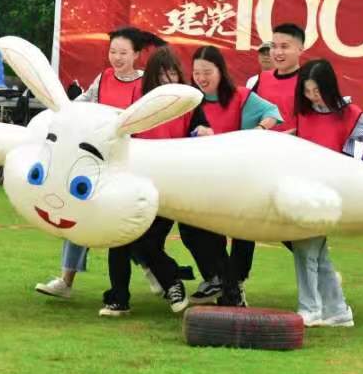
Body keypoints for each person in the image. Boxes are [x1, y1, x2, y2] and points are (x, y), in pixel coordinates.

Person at [37, 27, 165, 300]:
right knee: (77, 212)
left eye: (123, 53)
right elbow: (82, 105)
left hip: (128, 163)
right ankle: (66, 280)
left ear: (137, 55)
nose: (116, 58)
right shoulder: (104, 78)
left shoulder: (145, 84)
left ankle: (153, 270)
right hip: (95, 161)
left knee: (125, 221)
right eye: (112, 52)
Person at [180, 45, 281, 308]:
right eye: (197, 72)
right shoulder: (189, 102)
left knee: (242, 232)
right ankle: (221, 280)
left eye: (207, 72)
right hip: (201, 183)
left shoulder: (240, 96)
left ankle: (233, 285)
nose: (201, 78)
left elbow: (273, 114)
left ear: (220, 72)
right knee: (192, 231)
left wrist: (257, 130)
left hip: (237, 182)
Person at [100, 46, 195, 317]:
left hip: (171, 186)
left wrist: (202, 131)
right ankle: (118, 298)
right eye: (162, 75)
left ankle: (173, 281)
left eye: (173, 73)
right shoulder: (138, 101)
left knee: (148, 243)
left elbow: (201, 134)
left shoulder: (189, 102)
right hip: (134, 182)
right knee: (119, 239)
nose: (168, 80)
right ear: (152, 77)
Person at [291, 59, 363, 327]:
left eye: (316, 91)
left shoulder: (349, 113)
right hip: (304, 189)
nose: (312, 97)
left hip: (329, 193)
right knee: (316, 252)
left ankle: (310, 308)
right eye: (307, 91)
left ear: (328, 87)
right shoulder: (304, 113)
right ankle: (337, 310)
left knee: (306, 250)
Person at [253, 23, 306, 133]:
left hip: (296, 147)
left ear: (300, 50)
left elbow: (317, 122)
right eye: (274, 46)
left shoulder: (308, 81)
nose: (278, 52)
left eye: (284, 46)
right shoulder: (263, 77)